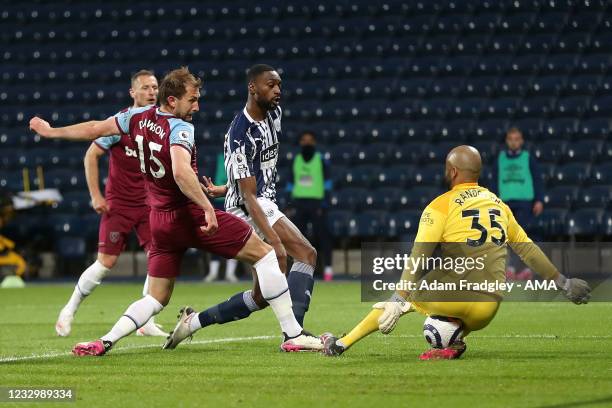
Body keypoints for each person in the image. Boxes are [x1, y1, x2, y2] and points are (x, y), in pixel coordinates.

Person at [30, 67, 323, 356]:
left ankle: (104, 341)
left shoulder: (136, 117)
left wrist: (52, 131)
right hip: (188, 216)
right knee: (267, 254)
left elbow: (95, 128)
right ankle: (293, 334)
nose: (197, 105)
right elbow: (182, 173)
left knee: (156, 297)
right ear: (172, 101)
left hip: (159, 221)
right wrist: (207, 207)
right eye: (192, 100)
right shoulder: (180, 128)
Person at [323, 145, 591, 360]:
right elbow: (529, 251)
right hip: (488, 308)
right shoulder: (499, 205)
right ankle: (454, 339)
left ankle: (341, 343)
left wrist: (398, 297)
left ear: (452, 171)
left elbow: (419, 256)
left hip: (453, 296)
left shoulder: (440, 205)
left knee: (405, 294)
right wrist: (564, 283)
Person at [201, 64, 317, 328]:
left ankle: (194, 321)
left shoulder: (273, 113)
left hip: (256, 199)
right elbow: (249, 196)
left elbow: (252, 174)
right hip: (248, 206)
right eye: (271, 85)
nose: (278, 91)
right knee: (306, 254)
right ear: (252, 88)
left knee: (261, 296)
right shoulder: (240, 135)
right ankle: (296, 335)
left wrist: (224, 188)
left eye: (279, 85)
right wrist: (275, 241)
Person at [54, 70, 167, 337]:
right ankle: (69, 309)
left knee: (159, 257)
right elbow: (90, 156)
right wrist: (95, 195)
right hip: (120, 204)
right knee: (106, 262)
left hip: (149, 204)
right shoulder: (121, 123)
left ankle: (145, 322)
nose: (152, 91)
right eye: (145, 87)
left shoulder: (162, 124)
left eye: (155, 87)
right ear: (133, 93)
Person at [493, 127, 544, 280]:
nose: (514, 142)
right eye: (511, 139)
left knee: (521, 237)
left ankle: (520, 268)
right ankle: (513, 268)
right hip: (505, 203)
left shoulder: (528, 158)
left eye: (517, 139)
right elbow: (495, 182)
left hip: (524, 202)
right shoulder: (500, 159)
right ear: (506, 141)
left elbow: (537, 180)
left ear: (521, 141)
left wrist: (539, 200)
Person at [288, 131, 334, 281]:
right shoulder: (296, 160)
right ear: (300, 143)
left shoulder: (321, 160)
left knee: (322, 237)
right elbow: (290, 183)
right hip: (299, 203)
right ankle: (297, 270)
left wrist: (325, 203)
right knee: (295, 239)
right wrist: (289, 204)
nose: (306, 143)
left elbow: (328, 183)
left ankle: (327, 269)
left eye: (310, 140)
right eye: (304, 140)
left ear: (314, 143)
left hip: (317, 203)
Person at [204, 152, 239, 283]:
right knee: (215, 237)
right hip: (218, 203)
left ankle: (230, 273)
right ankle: (213, 273)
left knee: (234, 237)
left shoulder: (239, 157)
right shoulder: (217, 159)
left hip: (234, 202)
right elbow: (209, 179)